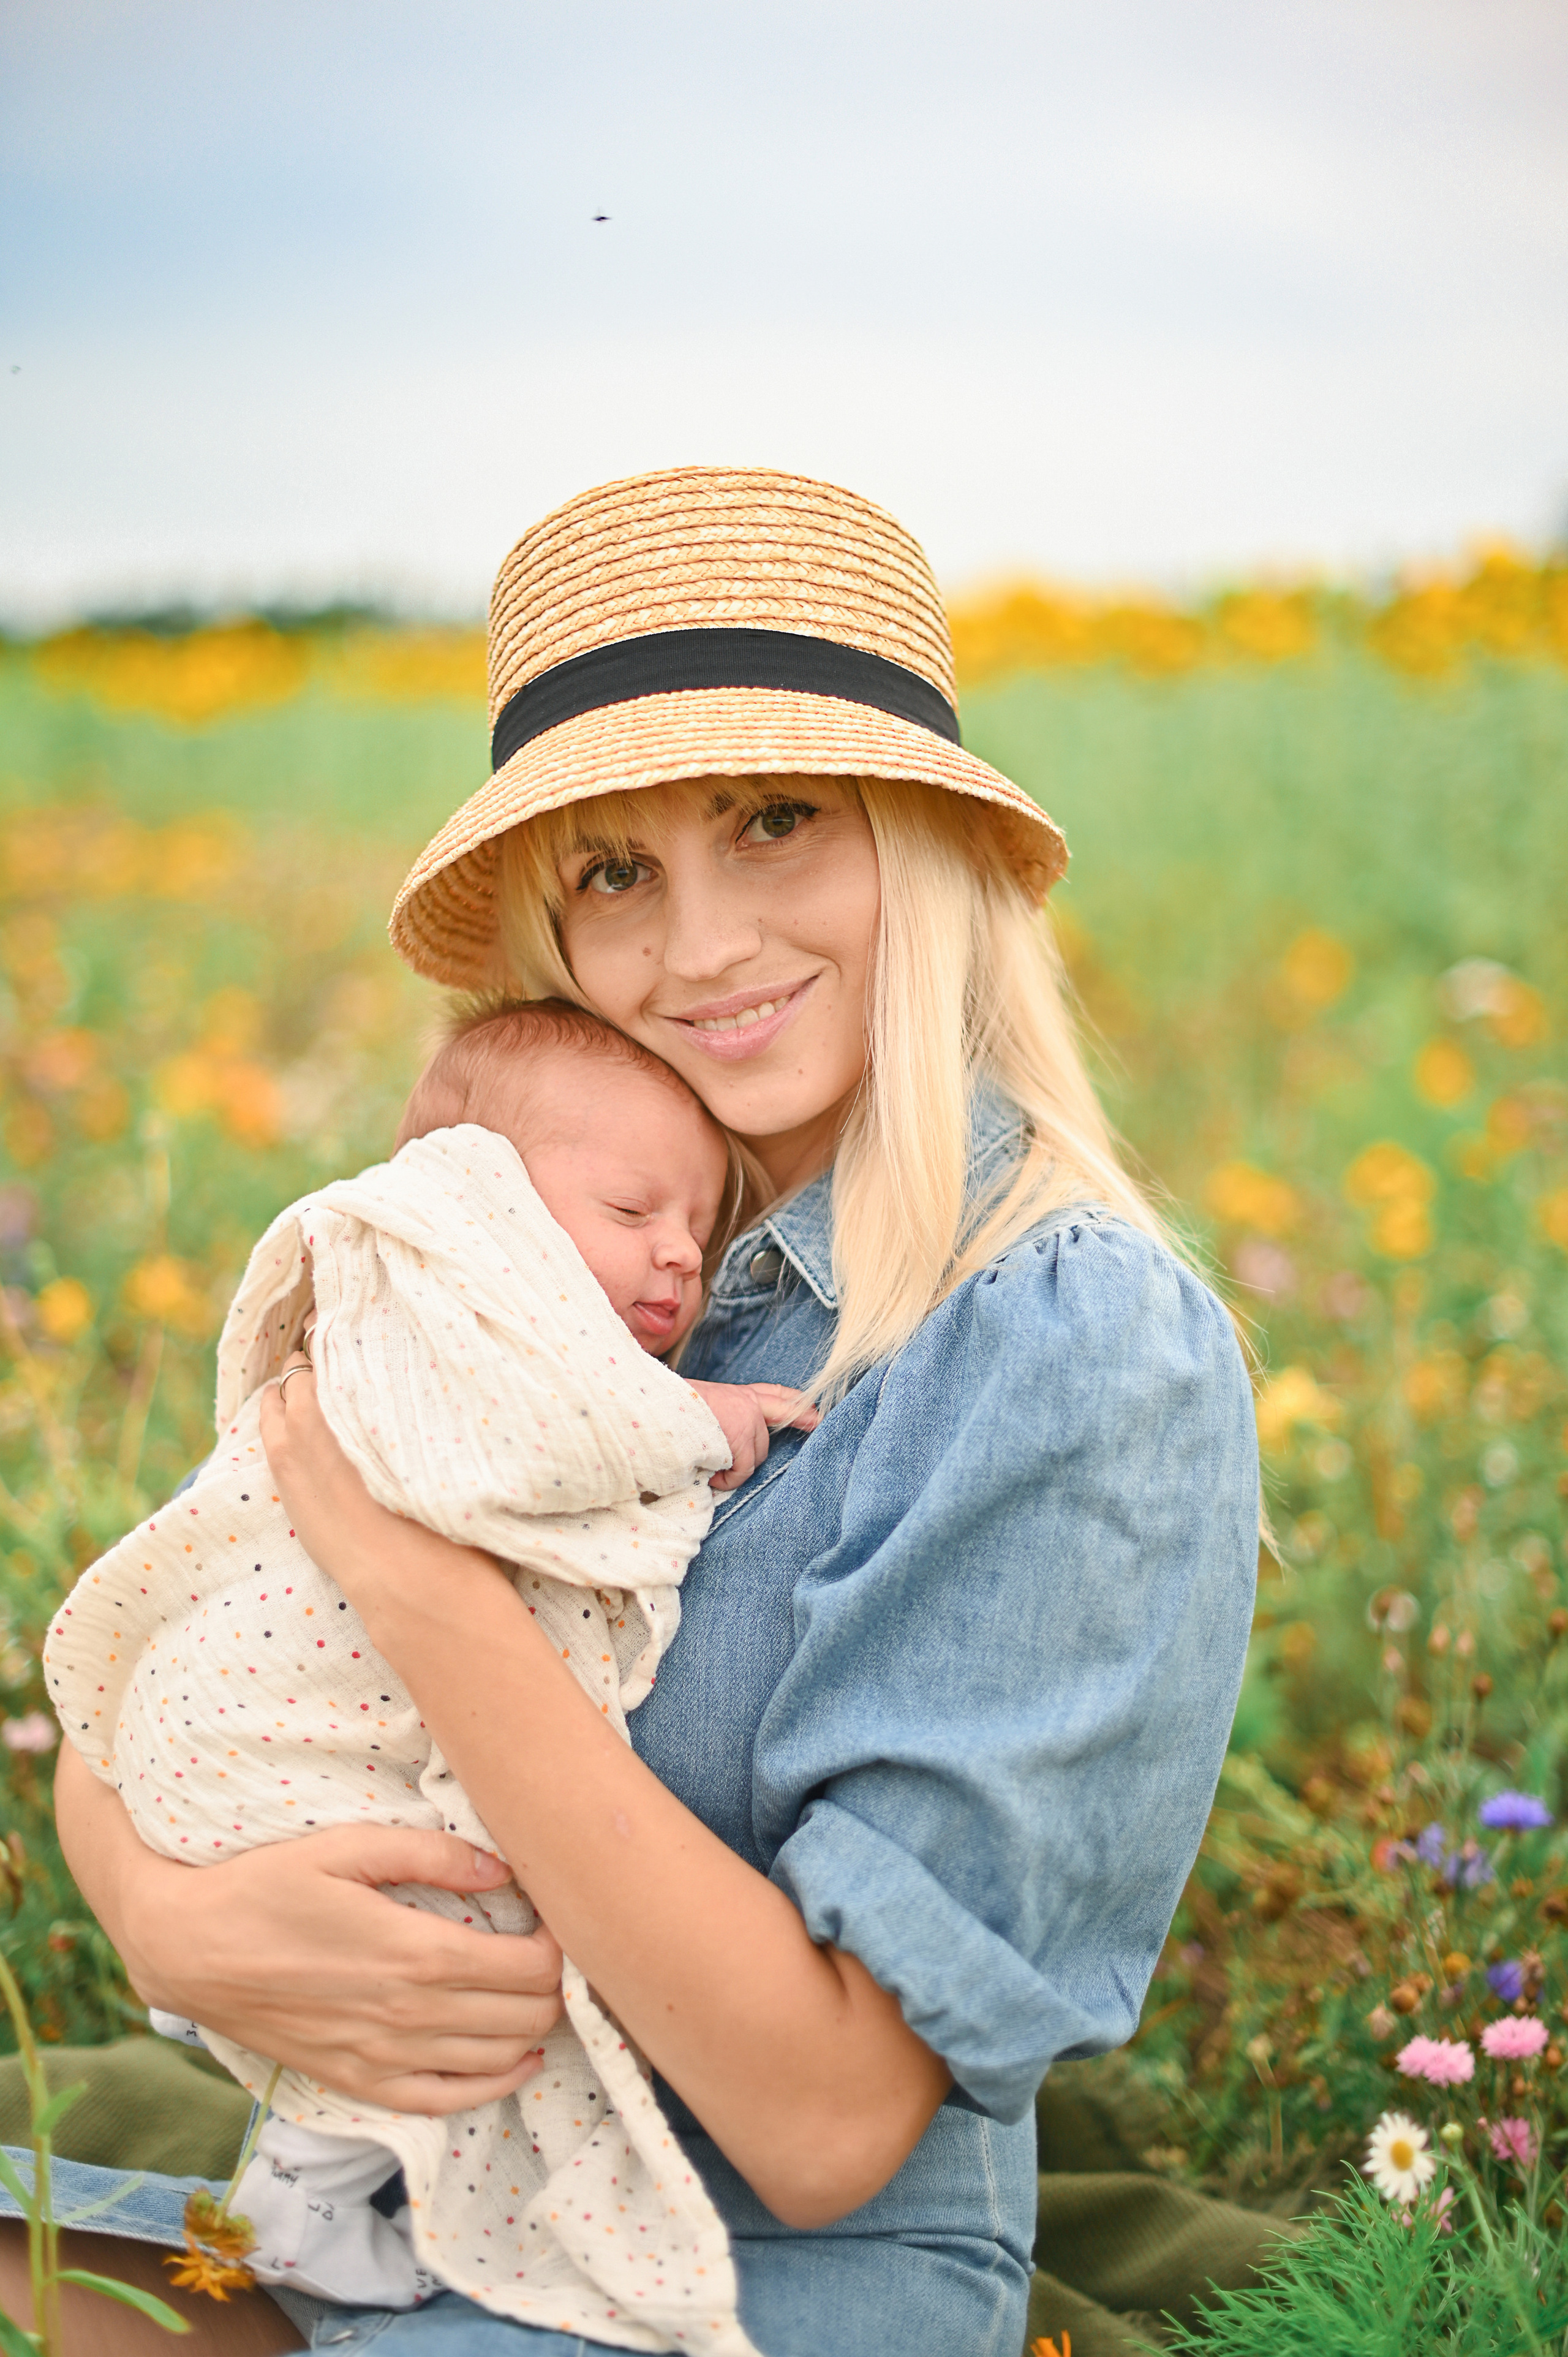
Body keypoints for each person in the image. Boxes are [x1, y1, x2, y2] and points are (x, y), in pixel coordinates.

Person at [9, 464, 1259, 2357]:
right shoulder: (548, 1240)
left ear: (920, 844)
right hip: (413, 2171)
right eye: (618, 872)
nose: (699, 951)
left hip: (741, 2270)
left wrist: (427, 1593)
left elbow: (831, 2126)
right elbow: (231, 1597)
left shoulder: (1065, 1343)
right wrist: (156, 1912)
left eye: (776, 823)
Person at [42, 997, 809, 2345]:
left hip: (216, 1739)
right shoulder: (457, 1334)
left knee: (421, 1947)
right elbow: (529, 1443)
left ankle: (300, 2187)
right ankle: (307, 2200)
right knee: (460, 1931)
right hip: (277, 1727)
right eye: (633, 1210)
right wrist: (710, 1416)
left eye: (698, 1224)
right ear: (478, 1204)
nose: (679, 1256)